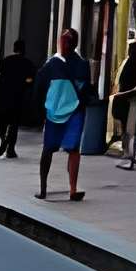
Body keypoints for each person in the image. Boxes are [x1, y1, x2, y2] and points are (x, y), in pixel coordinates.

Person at [37, 26, 93, 203]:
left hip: (61, 111)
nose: (65, 43)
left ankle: (59, 189)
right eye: (64, 39)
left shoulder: (54, 63)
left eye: (67, 40)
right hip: (69, 111)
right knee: (67, 149)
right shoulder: (68, 63)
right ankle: (63, 189)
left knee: (60, 149)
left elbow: (39, 85)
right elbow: (85, 88)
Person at [0, 38, 36, 159]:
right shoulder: (28, 63)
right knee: (14, 122)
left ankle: (3, 138)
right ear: (24, 50)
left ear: (14, 48)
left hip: (3, 95)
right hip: (17, 96)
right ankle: (10, 148)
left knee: (2, 120)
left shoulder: (5, 61)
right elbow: (31, 80)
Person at [111, 38, 136, 169]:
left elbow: (122, 81)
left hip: (125, 100)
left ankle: (127, 153)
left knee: (126, 129)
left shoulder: (129, 63)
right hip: (134, 100)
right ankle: (129, 153)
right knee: (132, 129)